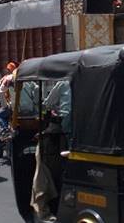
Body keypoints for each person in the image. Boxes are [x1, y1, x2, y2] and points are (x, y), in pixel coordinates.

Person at [31, 79, 72, 222]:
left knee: (40, 159)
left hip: (63, 129)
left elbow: (48, 104)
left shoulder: (63, 83)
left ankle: (42, 203)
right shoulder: (87, 82)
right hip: (77, 131)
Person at [0, 61, 18, 132]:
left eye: (8, 70)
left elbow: (0, 93)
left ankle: (5, 129)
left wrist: (5, 106)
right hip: (28, 108)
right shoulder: (25, 77)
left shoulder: (8, 78)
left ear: (10, 70)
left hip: (14, 107)